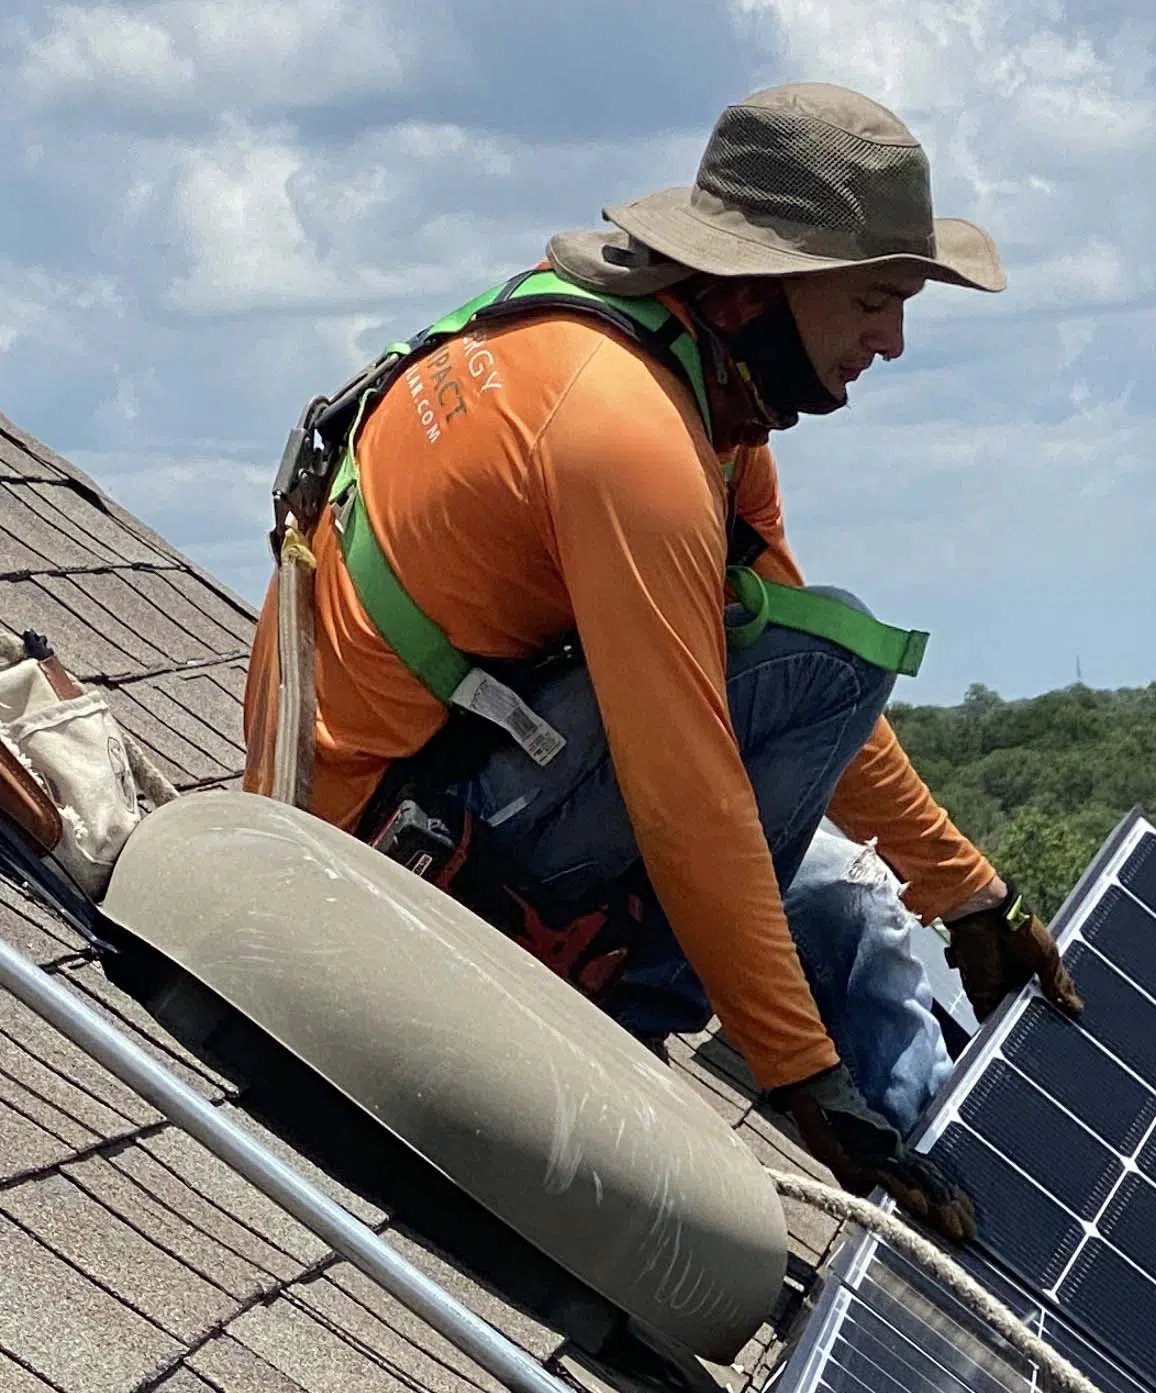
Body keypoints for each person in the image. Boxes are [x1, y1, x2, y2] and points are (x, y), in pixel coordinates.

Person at [242, 83, 1082, 1245]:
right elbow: (690, 787)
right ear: (766, 286)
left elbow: (775, 666)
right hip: (378, 860)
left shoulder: (675, 381)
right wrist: (802, 1082)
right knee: (832, 675)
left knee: (831, 805)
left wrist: (967, 895)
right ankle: (614, 1028)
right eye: (876, 300)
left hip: (391, 784)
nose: (891, 340)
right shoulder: (629, 437)